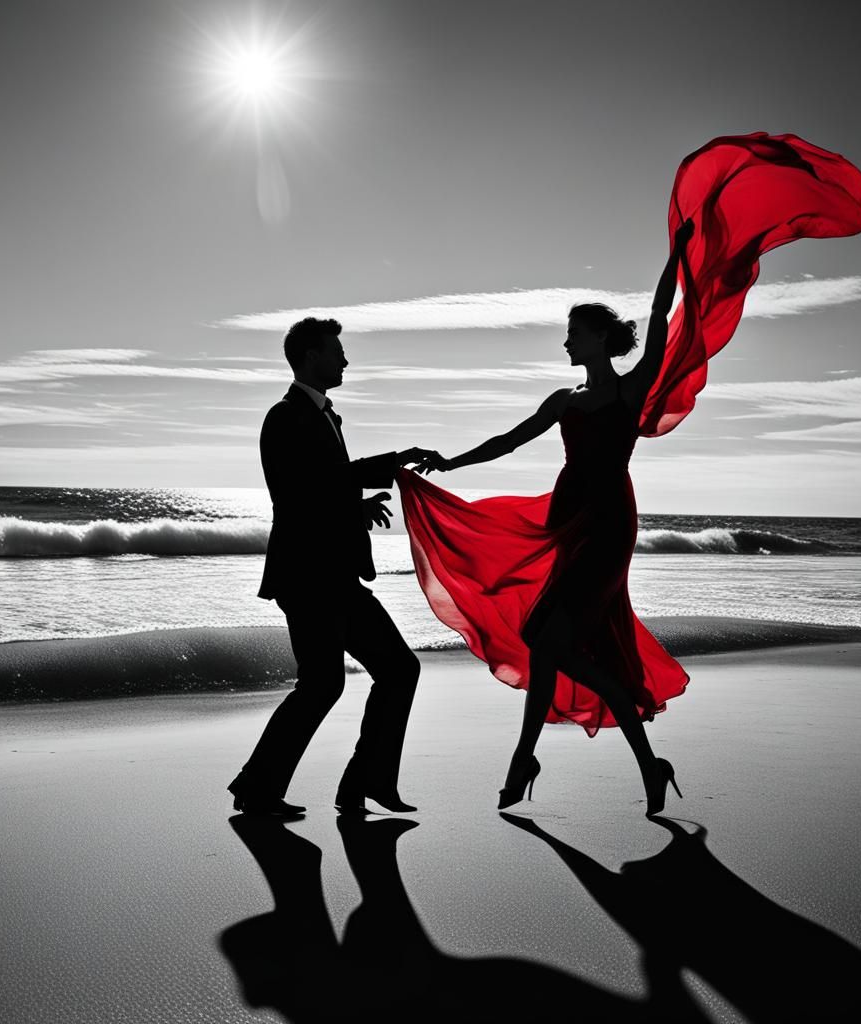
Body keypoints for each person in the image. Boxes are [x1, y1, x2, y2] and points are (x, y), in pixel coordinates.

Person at [413, 221, 697, 814]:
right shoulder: (563, 400)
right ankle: (636, 764)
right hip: (567, 522)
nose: (566, 344)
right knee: (545, 646)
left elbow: (660, 314)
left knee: (547, 638)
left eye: (573, 334)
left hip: (608, 522)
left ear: (597, 339)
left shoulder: (629, 390)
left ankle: (545, 746)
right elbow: (510, 441)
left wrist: (675, 256)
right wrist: (450, 462)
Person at [229, 317, 433, 816]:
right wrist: (364, 495)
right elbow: (300, 494)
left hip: (334, 577)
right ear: (309, 356)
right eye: (336, 351)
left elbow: (329, 480)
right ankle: (261, 787)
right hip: (307, 577)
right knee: (329, 683)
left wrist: (384, 475)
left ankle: (361, 782)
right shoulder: (284, 417)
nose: (344, 360)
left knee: (395, 670)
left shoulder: (324, 416)